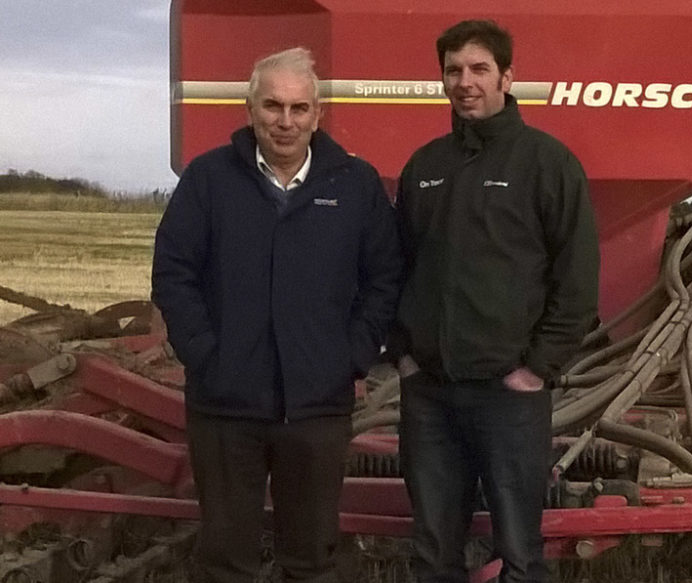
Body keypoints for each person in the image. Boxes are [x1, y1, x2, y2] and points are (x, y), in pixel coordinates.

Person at [152, 47, 402, 583]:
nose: (285, 121)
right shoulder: (208, 180)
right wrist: (205, 356)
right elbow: (173, 273)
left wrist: (350, 358)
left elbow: (384, 281)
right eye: (272, 106)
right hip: (224, 408)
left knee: (311, 561)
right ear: (249, 109)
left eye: (298, 108)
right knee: (225, 562)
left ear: (317, 113)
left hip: (316, 410)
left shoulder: (355, 185)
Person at [390, 20, 600, 583]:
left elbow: (577, 282)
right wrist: (405, 357)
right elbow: (393, 270)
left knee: (519, 556)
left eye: (479, 69)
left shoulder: (547, 165)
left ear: (508, 76)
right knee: (433, 556)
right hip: (431, 396)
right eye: (453, 71)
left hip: (509, 398)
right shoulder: (425, 168)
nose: (465, 82)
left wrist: (536, 369)